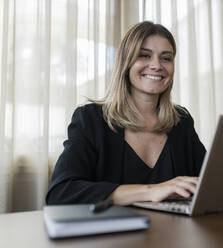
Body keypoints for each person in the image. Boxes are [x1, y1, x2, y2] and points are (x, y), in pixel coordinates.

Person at [46, 21, 206, 206]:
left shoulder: (181, 121)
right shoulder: (91, 119)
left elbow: (210, 184)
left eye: (166, 58)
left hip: (174, 232)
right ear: (126, 63)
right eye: (144, 55)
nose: (156, 65)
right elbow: (61, 192)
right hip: (113, 233)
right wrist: (151, 191)